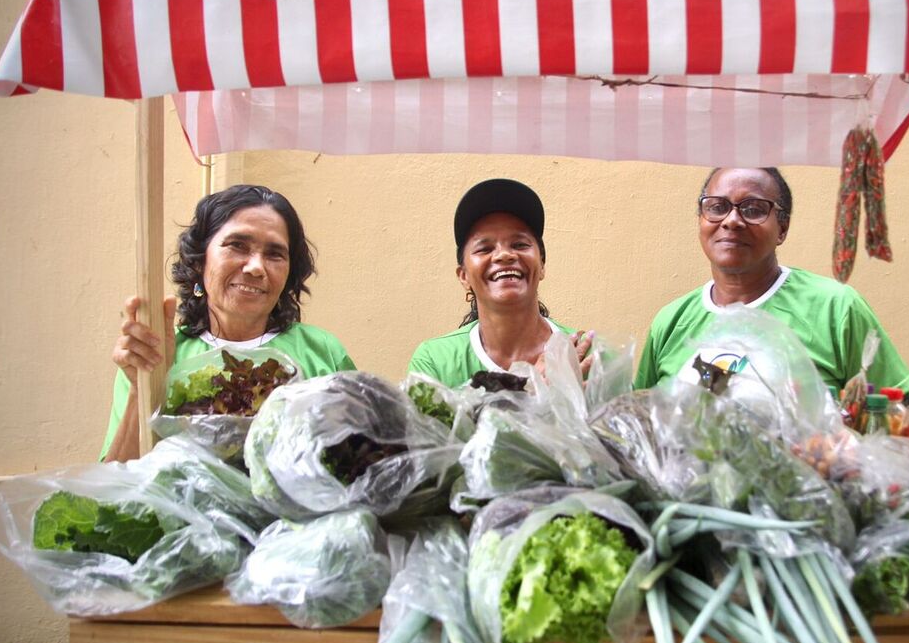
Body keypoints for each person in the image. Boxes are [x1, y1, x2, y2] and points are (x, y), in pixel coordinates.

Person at [102, 185, 355, 462]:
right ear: (200, 260)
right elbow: (115, 482)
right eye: (237, 245)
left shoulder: (321, 351)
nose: (256, 267)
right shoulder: (154, 354)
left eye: (274, 254)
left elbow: (361, 461)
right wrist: (143, 387)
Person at [635, 167, 909, 392]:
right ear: (701, 219)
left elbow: (895, 417)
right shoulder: (671, 321)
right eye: (717, 207)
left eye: (754, 209)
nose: (732, 220)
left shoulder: (836, 308)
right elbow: (639, 425)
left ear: (782, 227)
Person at [408, 178, 593, 388]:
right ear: (464, 276)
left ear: (541, 265)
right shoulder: (434, 361)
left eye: (520, 244)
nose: (504, 255)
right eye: (484, 249)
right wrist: (530, 392)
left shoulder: (588, 356)